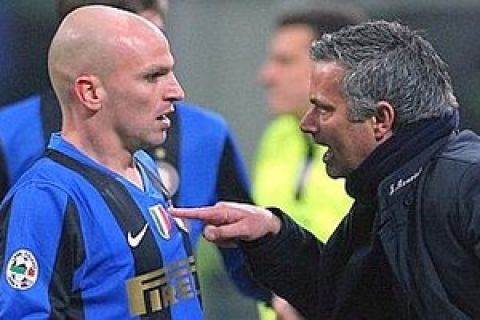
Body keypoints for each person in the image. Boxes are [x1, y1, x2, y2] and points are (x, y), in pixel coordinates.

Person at [173, 20, 480, 319]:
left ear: (380, 120)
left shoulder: (468, 183)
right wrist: (273, 235)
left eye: (324, 109)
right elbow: (346, 302)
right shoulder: (381, 192)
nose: (308, 124)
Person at [0, 0, 270, 314]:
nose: (176, 91)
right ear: (91, 93)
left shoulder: (144, 167)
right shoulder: (46, 198)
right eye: (153, 76)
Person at [254, 7, 364, 319]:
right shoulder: (277, 137)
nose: (266, 76)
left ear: (332, 69)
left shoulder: (370, 145)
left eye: (284, 61)